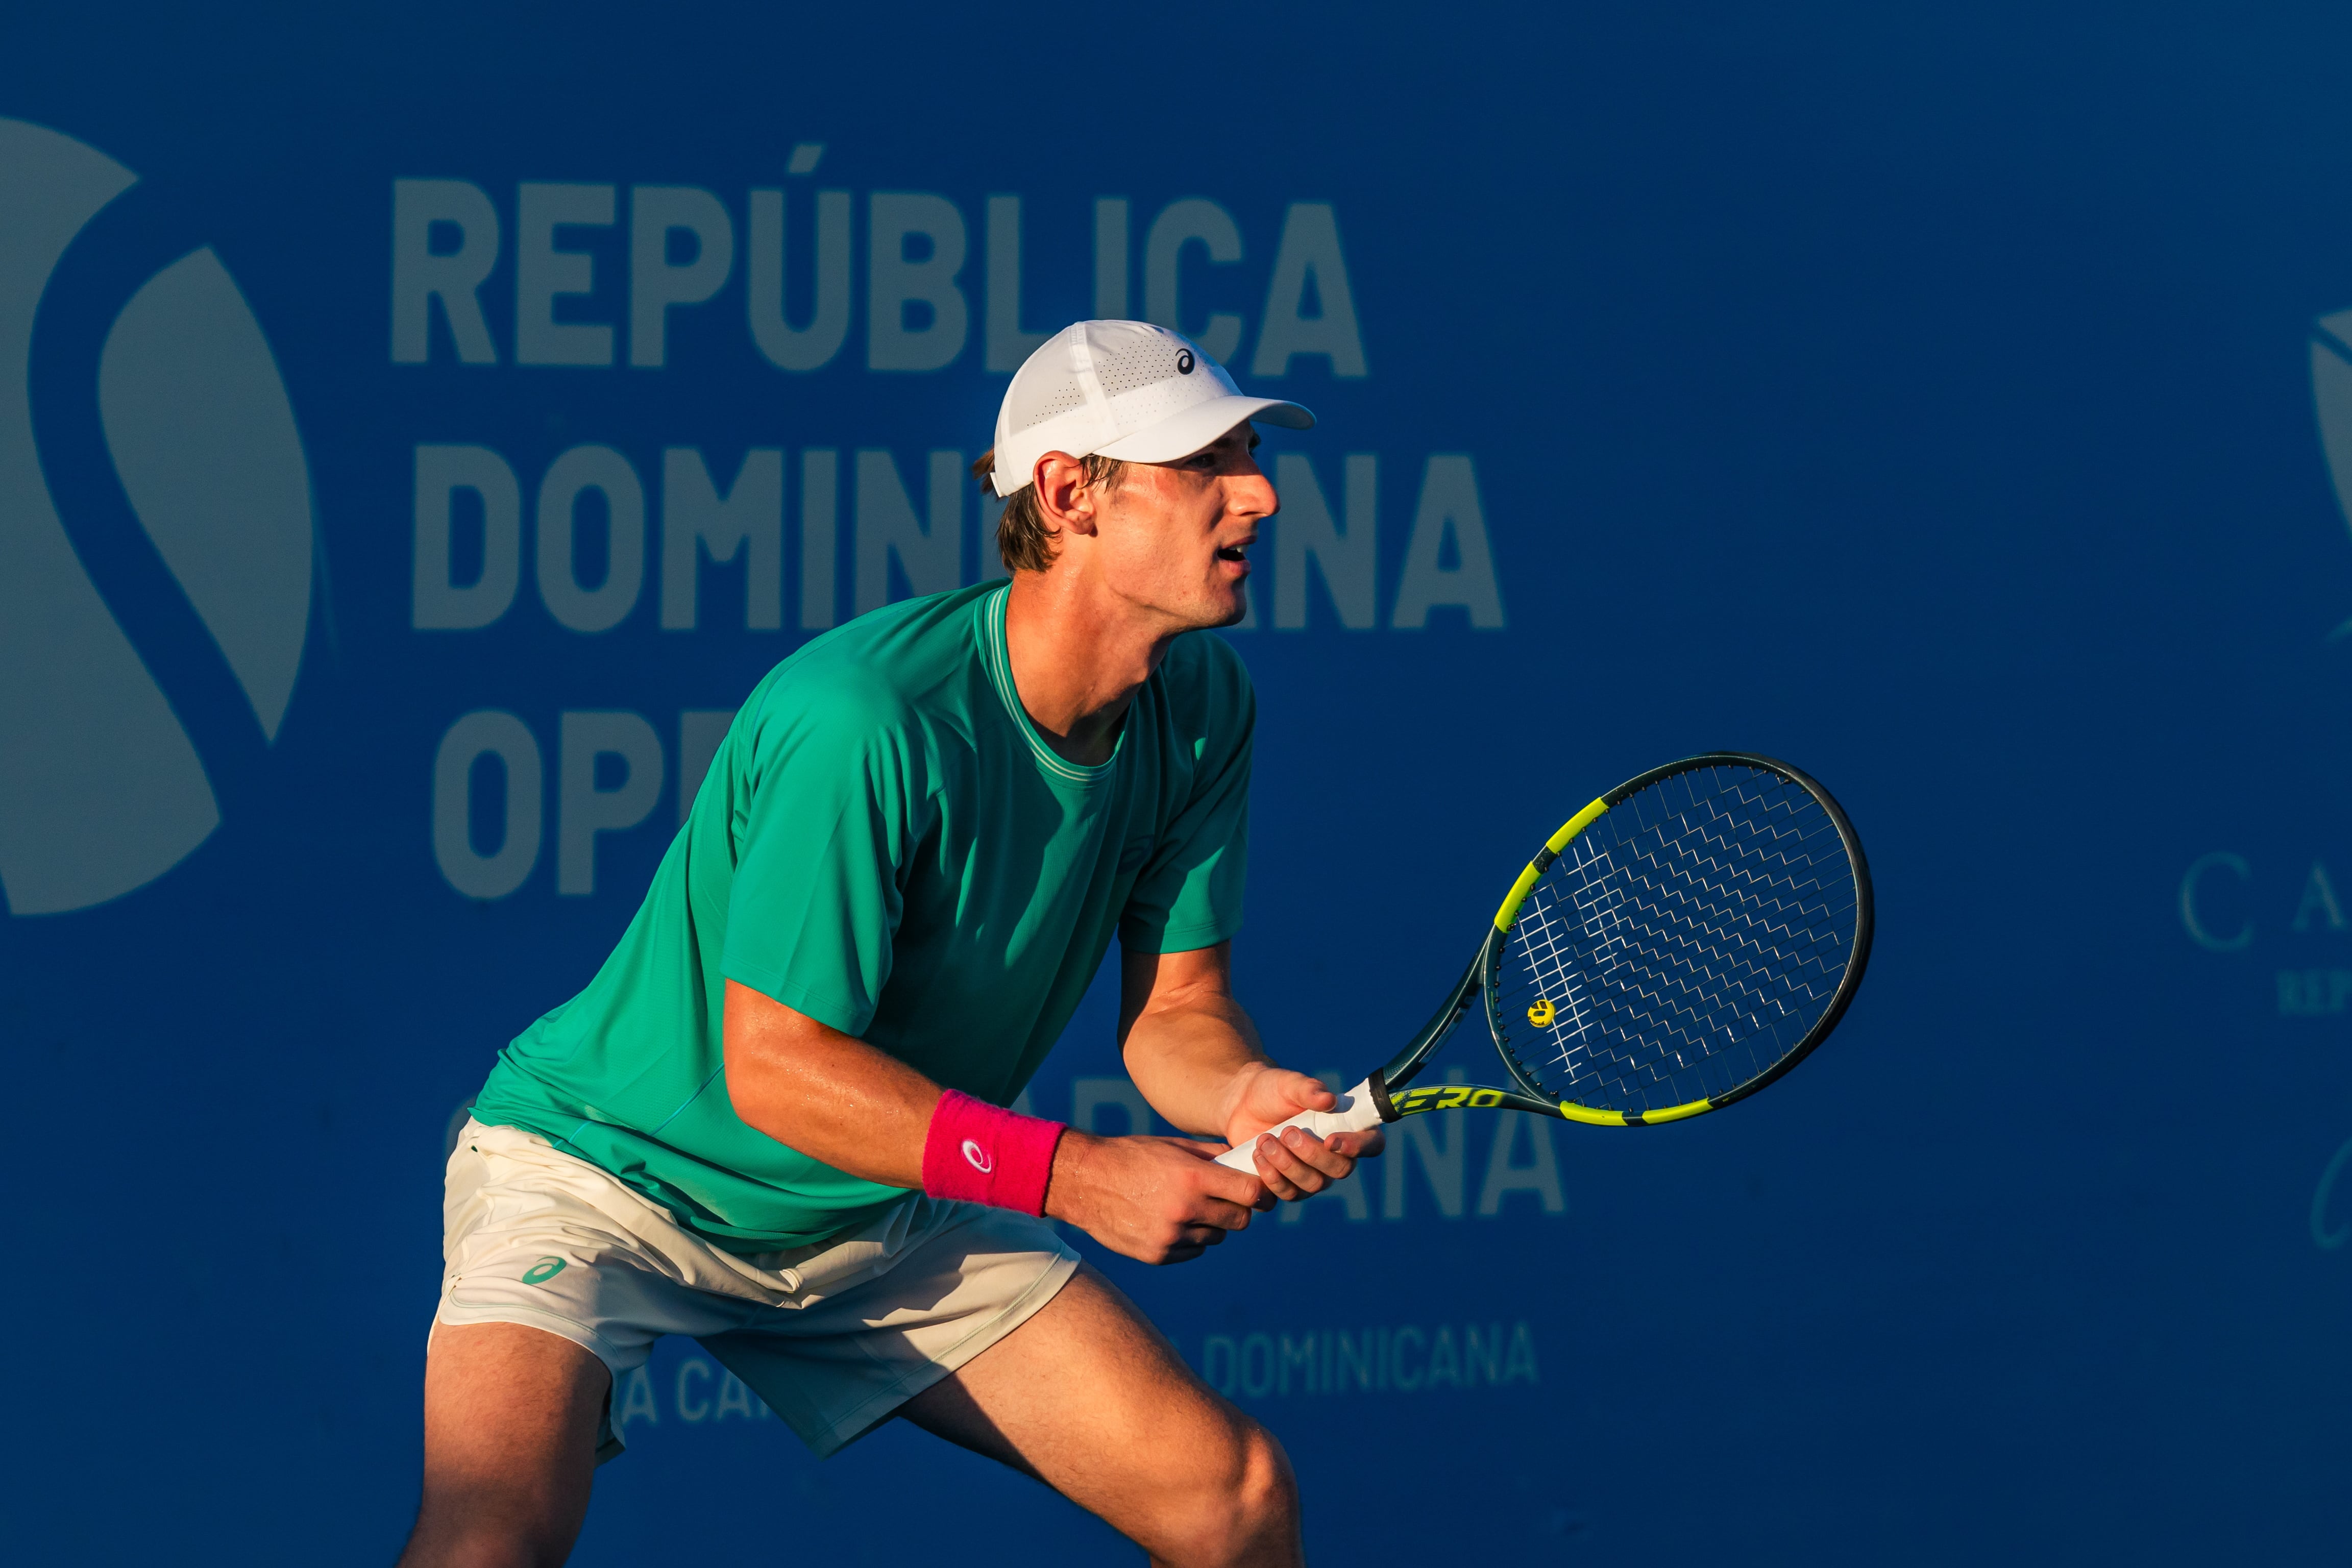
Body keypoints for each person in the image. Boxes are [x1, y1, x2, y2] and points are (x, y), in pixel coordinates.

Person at [399, 320, 1383, 1568]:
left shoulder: (1202, 709)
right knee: (491, 1542)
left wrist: (1238, 1090)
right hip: (607, 1179)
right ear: (1068, 493)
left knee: (1231, 1500)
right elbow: (775, 1068)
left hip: (875, 1202)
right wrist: (1077, 1176)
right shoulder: (864, 720)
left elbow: (1178, 1011)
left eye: (1248, 455)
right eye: (1204, 463)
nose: (1261, 495)